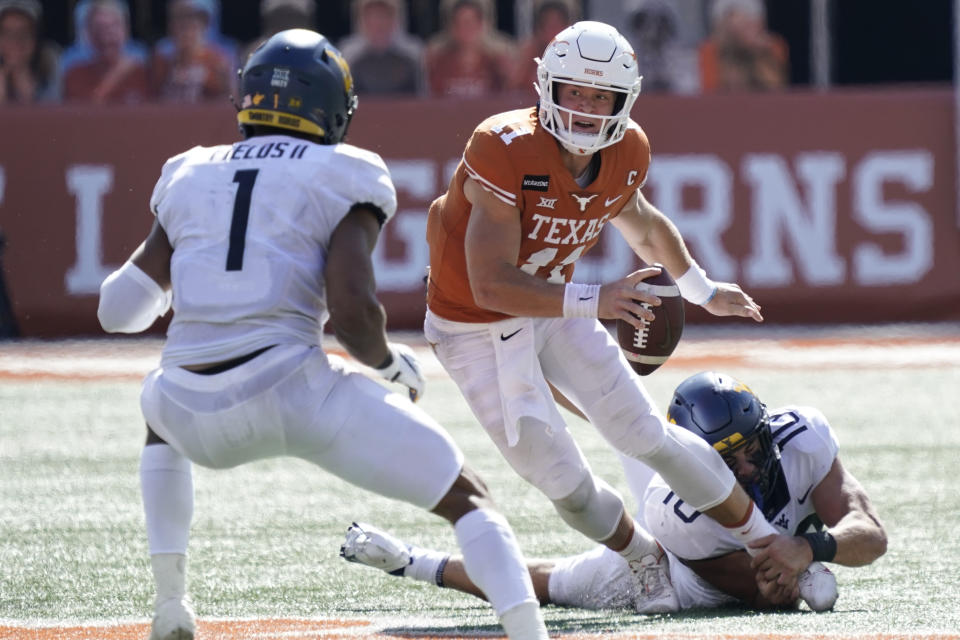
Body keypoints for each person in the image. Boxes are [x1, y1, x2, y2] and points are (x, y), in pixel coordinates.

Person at [97, 29, 550, 640]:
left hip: (192, 411)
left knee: (159, 406)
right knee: (465, 498)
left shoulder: (188, 171)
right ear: (334, 108)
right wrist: (389, 365)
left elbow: (117, 312)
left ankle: (172, 605)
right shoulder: (347, 170)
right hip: (294, 391)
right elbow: (354, 312)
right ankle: (529, 633)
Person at [421, 19, 792, 615]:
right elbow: (490, 284)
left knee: (643, 431)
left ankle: (766, 544)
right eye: (575, 93)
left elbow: (642, 222)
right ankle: (643, 556)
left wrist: (700, 288)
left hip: (554, 306)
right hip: (472, 325)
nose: (588, 108)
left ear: (622, 100)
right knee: (564, 486)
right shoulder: (503, 144)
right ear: (548, 88)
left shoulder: (627, 149)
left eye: (601, 97)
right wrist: (599, 298)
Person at [341, 371, 888, 613]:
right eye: (726, 458)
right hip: (684, 570)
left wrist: (811, 550)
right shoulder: (677, 512)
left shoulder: (802, 435)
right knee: (550, 583)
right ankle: (412, 562)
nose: (747, 465)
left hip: (727, 519)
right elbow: (754, 589)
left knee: (631, 423)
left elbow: (870, 533)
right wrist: (785, 577)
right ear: (700, 456)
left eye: (754, 447)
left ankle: (537, 363)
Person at [62, 0, 150, 104]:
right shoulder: (75, 75)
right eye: (99, 28)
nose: (107, 35)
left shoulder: (142, 73)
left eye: (114, 26)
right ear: (89, 35)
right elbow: (85, 110)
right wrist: (117, 74)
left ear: (126, 30)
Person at [424, 0, 514, 98]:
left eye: (470, 23)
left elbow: (512, 96)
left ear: (482, 24)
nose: (465, 29)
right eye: (459, 23)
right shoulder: (438, 61)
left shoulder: (497, 61)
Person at [150, 0, 234, 103]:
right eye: (180, 27)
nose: (186, 33)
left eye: (192, 26)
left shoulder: (218, 62)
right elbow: (152, 99)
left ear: (204, 27)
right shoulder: (162, 62)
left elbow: (230, 102)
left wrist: (205, 80)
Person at [339, 0, 426, 96]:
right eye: (371, 17)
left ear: (396, 19)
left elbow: (422, 99)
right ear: (361, 20)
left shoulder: (414, 55)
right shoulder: (347, 56)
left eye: (384, 16)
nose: (378, 23)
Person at [698, 0, 788, 92]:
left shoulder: (771, 46)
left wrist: (759, 54)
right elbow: (709, 92)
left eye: (749, 21)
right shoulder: (710, 50)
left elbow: (777, 90)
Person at [0, 0, 61, 104]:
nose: (15, 40)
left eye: (24, 32)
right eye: (7, 32)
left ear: (36, 38)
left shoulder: (52, 61)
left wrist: (28, 96)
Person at [509, 0, 574, 93]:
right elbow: (511, 91)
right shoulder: (530, 55)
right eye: (548, 25)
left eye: (557, 25)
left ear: (568, 27)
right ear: (539, 29)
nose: (553, 31)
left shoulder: (577, 55)